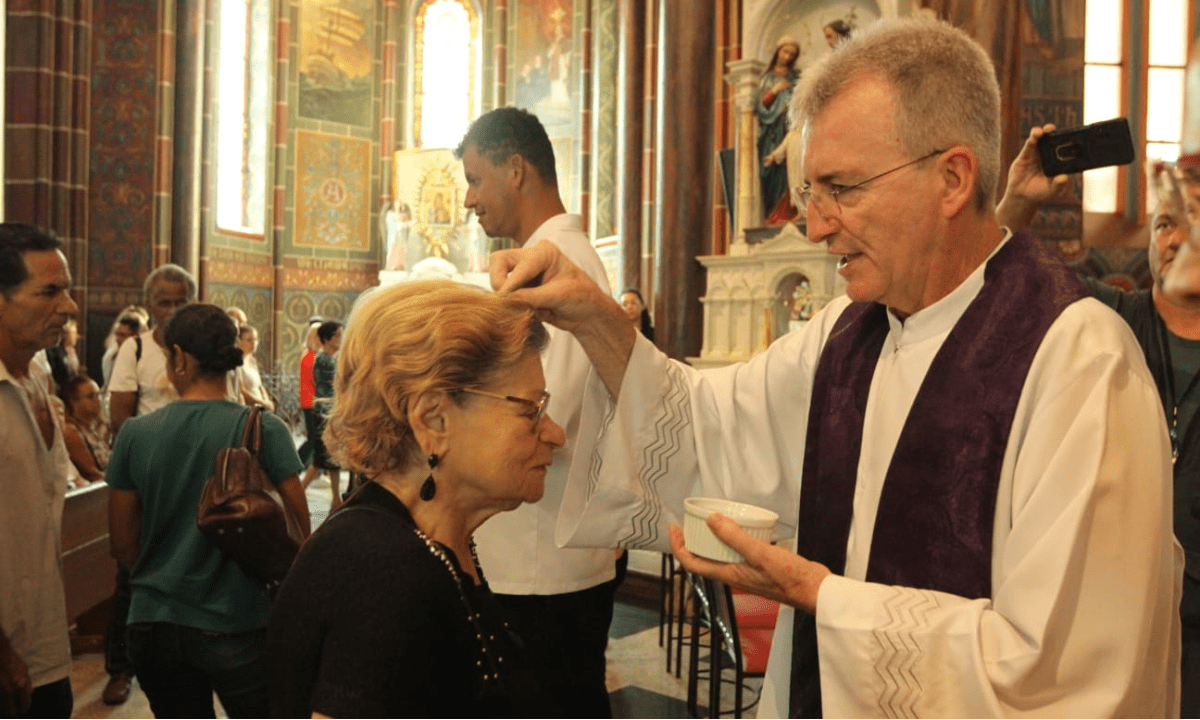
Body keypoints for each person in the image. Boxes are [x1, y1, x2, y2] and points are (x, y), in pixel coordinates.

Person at [490, 17, 1181, 717]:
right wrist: (594, 316)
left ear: (951, 178)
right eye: (811, 192)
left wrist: (823, 597)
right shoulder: (847, 336)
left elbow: (1067, 674)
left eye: (841, 189)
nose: (815, 225)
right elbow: (710, 428)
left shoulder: (1080, 363)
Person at [267, 280, 565, 717]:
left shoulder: (430, 539)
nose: (555, 433)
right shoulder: (384, 574)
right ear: (434, 419)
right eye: (531, 409)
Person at [998, 126, 1200, 717]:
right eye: (1166, 224)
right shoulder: (1101, 315)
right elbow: (999, 284)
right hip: (1111, 615)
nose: (1176, 240)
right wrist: (1021, 200)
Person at [455, 105, 622, 716]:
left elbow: (538, 411)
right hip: (536, 553)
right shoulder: (553, 254)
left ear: (516, 168)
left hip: (537, 559)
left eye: (476, 179)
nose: (470, 200)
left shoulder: (558, 265)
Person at [106, 303, 310, 718]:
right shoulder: (263, 428)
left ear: (179, 357)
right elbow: (299, 532)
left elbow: (123, 543)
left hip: (154, 622)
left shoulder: (134, 434)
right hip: (242, 620)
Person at [103, 262, 195, 705]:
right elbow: (120, 416)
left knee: (194, 566)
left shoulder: (203, 344)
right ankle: (121, 669)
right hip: (147, 480)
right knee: (132, 573)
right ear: (150, 304)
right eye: (165, 301)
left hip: (198, 478)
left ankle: (191, 661)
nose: (173, 308)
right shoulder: (136, 349)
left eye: (182, 300)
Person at [0, 223, 79, 718]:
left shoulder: (40, 373)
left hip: (44, 642)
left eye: (66, 289)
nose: (69, 307)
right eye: (49, 292)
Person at [757, 36, 802, 218]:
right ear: (777, 51)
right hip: (770, 134)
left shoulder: (796, 77)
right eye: (785, 51)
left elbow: (801, 99)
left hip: (790, 129)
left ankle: (791, 213)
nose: (787, 57)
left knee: (792, 173)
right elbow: (760, 107)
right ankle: (771, 214)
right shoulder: (766, 78)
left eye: (792, 54)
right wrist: (775, 91)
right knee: (769, 174)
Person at [312, 319, 344, 510]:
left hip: (331, 412)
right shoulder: (324, 359)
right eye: (339, 335)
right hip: (325, 413)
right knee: (323, 459)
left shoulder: (332, 358)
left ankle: (336, 500)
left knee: (329, 459)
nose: (342, 339)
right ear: (327, 338)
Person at [61, 374, 111, 486]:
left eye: (99, 395)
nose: (98, 400)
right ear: (74, 401)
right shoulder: (71, 431)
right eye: (92, 396)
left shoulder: (95, 428)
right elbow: (91, 474)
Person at [297, 318, 322, 487]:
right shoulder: (311, 357)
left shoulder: (309, 355)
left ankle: (315, 470)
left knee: (315, 439)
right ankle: (296, 467)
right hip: (311, 402)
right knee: (313, 440)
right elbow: (315, 382)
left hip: (310, 401)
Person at [101, 312, 144, 389]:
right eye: (117, 335)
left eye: (122, 335)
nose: (117, 340)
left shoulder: (143, 357)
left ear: (136, 336)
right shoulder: (111, 357)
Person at [236, 325, 274, 411]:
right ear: (239, 342)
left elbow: (260, 386)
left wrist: (266, 400)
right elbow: (241, 390)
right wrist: (262, 403)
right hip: (247, 408)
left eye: (255, 339)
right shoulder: (237, 363)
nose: (253, 343)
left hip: (260, 406)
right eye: (249, 340)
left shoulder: (252, 360)